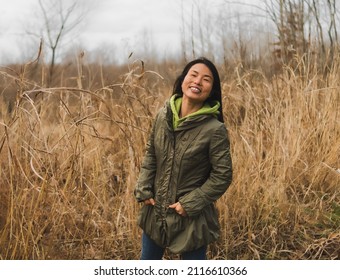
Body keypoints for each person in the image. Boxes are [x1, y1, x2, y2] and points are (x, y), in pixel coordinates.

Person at [134, 57, 233, 260]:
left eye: (206, 79)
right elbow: (152, 153)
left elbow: (222, 175)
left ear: (212, 90)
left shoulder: (214, 130)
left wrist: (190, 204)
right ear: (183, 80)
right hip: (156, 212)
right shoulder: (163, 116)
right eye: (193, 75)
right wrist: (144, 187)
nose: (197, 82)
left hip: (191, 218)